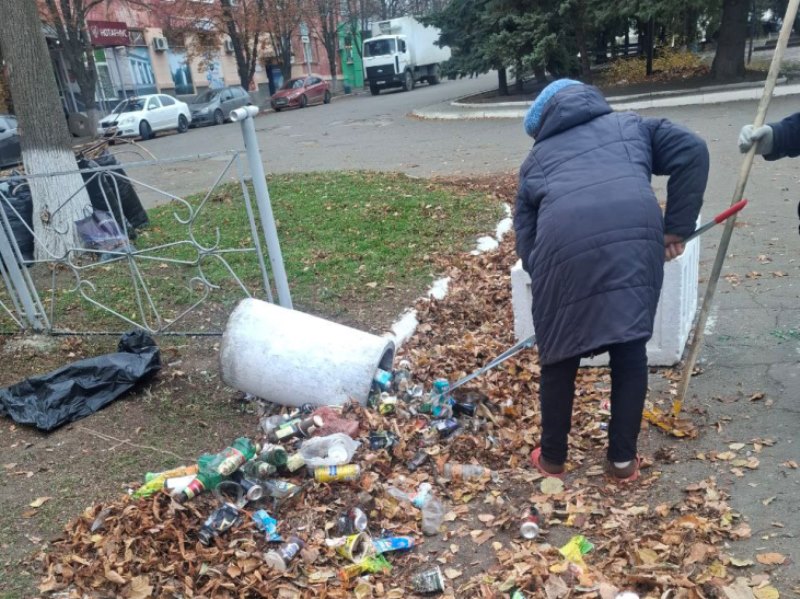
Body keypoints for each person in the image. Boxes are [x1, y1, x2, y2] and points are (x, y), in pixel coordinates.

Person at [514, 79, 709, 482]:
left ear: (543, 124)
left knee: (559, 355)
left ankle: (552, 460)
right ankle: (621, 463)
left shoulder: (535, 162)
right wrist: (676, 230)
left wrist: (549, 275)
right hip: (634, 238)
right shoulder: (632, 126)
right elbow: (693, 150)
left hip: (560, 249)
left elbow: (526, 238)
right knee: (628, 345)